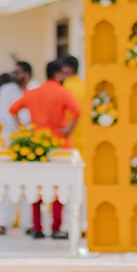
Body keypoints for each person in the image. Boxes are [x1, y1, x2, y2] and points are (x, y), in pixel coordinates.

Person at [10, 60, 81, 239]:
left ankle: (37, 226)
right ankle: (56, 228)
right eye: (63, 73)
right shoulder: (63, 93)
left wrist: (23, 129)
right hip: (59, 144)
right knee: (59, 186)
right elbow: (77, 111)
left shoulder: (33, 93)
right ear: (57, 74)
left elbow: (13, 109)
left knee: (36, 184)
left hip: (36, 143)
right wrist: (69, 129)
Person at [0, 64, 36, 235]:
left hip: (31, 142)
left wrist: (27, 128)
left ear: (26, 73)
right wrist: (19, 128)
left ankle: (28, 223)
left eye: (17, 72)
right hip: (10, 140)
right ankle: (3, 222)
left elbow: (36, 112)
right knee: (5, 181)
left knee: (29, 183)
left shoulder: (35, 88)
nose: (13, 75)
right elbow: (1, 114)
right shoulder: (6, 89)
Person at [59, 54, 86, 156]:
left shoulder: (64, 87)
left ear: (68, 69)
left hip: (68, 133)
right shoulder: (85, 86)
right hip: (85, 134)